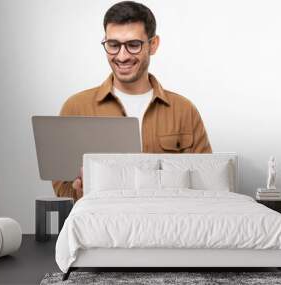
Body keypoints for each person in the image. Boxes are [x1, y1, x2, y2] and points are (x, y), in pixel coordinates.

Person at [52, 1, 212, 202]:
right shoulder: (75, 107)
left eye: (133, 45)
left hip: (168, 226)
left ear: (153, 45)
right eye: (113, 45)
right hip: (101, 227)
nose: (122, 56)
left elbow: (209, 182)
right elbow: (61, 189)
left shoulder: (184, 110)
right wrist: (80, 191)